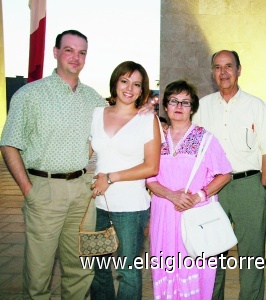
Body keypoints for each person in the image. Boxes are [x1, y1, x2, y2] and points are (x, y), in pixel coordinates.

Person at [0, 30, 106, 299]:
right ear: (56, 52)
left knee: (81, 267)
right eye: (69, 50)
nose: (76, 57)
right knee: (39, 271)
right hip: (44, 190)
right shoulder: (30, 95)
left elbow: (112, 128)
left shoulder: (93, 98)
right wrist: (28, 190)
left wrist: (141, 111)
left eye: (82, 52)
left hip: (82, 191)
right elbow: (9, 143)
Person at [192, 50, 266, 300]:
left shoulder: (256, 105)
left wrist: (261, 189)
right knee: (213, 253)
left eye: (228, 66)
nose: (223, 72)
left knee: (252, 255)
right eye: (218, 67)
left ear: (239, 69)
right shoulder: (202, 107)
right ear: (213, 72)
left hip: (248, 187)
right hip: (213, 190)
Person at [146, 80, 232, 299]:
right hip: (164, 215)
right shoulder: (155, 138)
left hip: (195, 214)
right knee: (164, 265)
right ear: (165, 106)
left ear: (192, 108)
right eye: (174, 101)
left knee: (196, 268)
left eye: (185, 102)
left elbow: (225, 173)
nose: (179, 106)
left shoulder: (205, 139)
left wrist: (198, 196)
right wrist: (170, 194)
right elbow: (148, 177)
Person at [89, 61, 161, 299]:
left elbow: (152, 166)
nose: (129, 88)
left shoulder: (147, 120)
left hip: (130, 209)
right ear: (115, 83)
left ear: (142, 90)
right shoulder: (97, 114)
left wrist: (110, 178)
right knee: (97, 270)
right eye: (124, 81)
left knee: (127, 272)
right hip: (97, 206)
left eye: (136, 84)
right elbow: (86, 153)